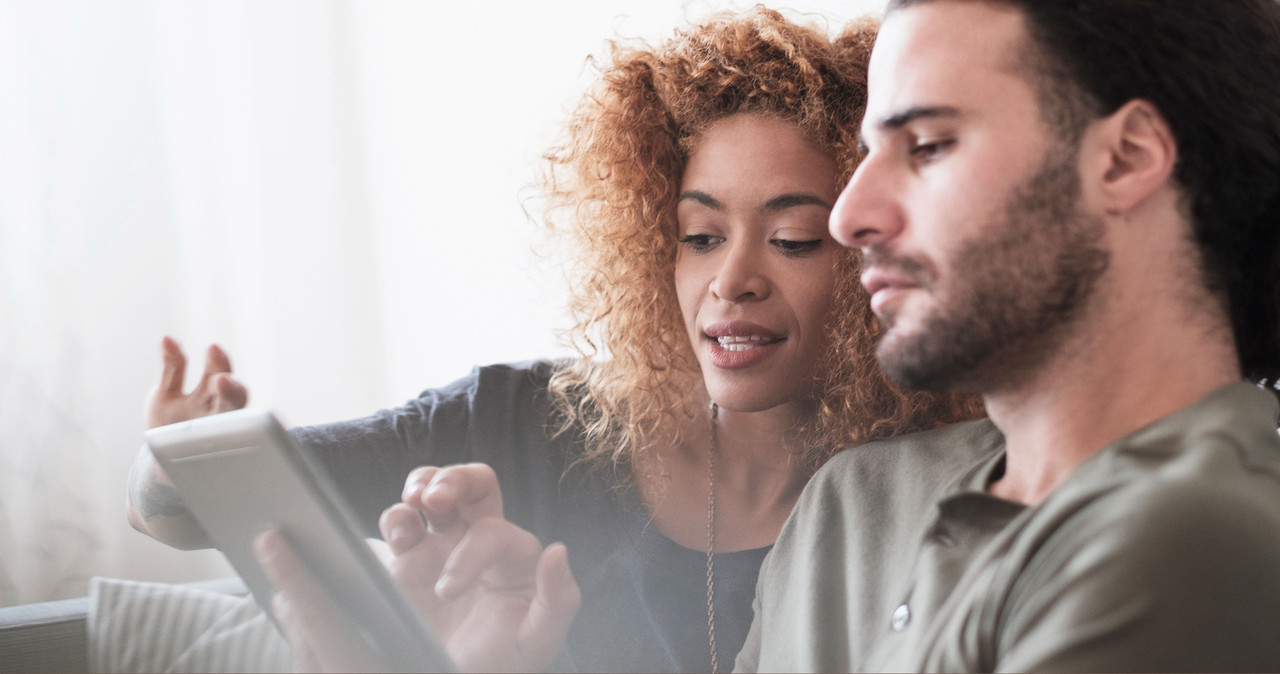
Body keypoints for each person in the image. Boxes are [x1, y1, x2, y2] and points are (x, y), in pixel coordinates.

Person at [127, 8, 982, 673]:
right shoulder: (523, 425)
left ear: (874, 250)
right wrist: (179, 455)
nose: (733, 281)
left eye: (794, 239)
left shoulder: (934, 490)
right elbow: (174, 508)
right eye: (699, 237)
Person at [736, 0, 1280, 671]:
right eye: (868, 153)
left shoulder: (1188, 539)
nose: (849, 216)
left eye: (929, 145)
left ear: (1124, 158)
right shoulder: (853, 506)